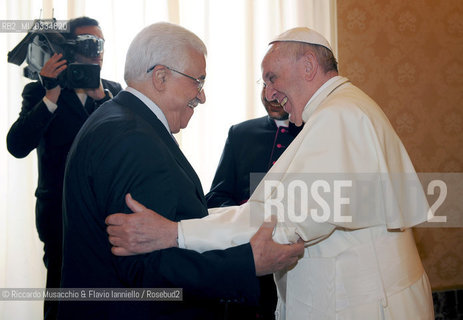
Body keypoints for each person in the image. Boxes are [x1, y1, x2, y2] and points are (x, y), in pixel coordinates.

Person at [106, 27, 435, 319]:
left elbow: (278, 222)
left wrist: (176, 233)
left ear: (307, 67)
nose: (269, 94)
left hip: (360, 306)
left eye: (272, 78)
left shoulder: (338, 117)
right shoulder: (342, 108)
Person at [59, 22, 303, 320]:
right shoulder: (132, 138)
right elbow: (144, 267)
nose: (201, 96)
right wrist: (248, 262)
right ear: (161, 77)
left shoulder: (118, 119)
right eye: (197, 82)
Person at [6, 16, 122, 320]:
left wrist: (102, 100)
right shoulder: (39, 92)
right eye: (89, 43)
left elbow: (125, 146)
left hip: (105, 214)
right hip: (58, 213)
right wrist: (51, 96)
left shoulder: (114, 92)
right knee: (60, 295)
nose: (98, 50)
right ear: (69, 49)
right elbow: (16, 146)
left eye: (101, 43)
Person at [205, 87, 302, 319]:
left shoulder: (316, 132)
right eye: (265, 85)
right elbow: (217, 196)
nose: (270, 95)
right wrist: (246, 215)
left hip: (297, 264)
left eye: (278, 85)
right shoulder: (240, 133)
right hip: (247, 267)